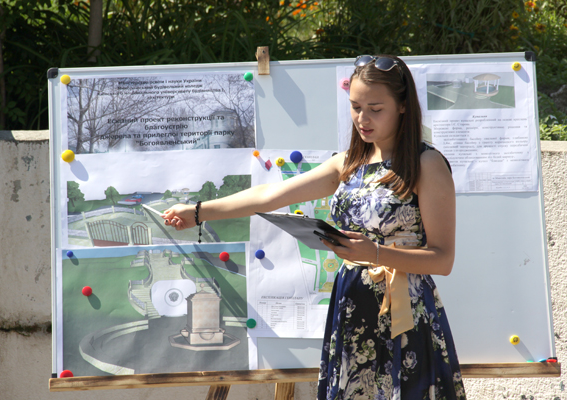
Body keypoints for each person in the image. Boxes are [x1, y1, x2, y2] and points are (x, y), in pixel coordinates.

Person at [162, 54, 466, 400]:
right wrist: (198, 212)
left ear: (403, 106)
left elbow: (443, 259)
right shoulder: (348, 163)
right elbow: (269, 195)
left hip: (405, 312)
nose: (362, 119)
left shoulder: (427, 164)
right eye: (355, 107)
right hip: (353, 304)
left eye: (375, 109)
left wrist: (376, 253)